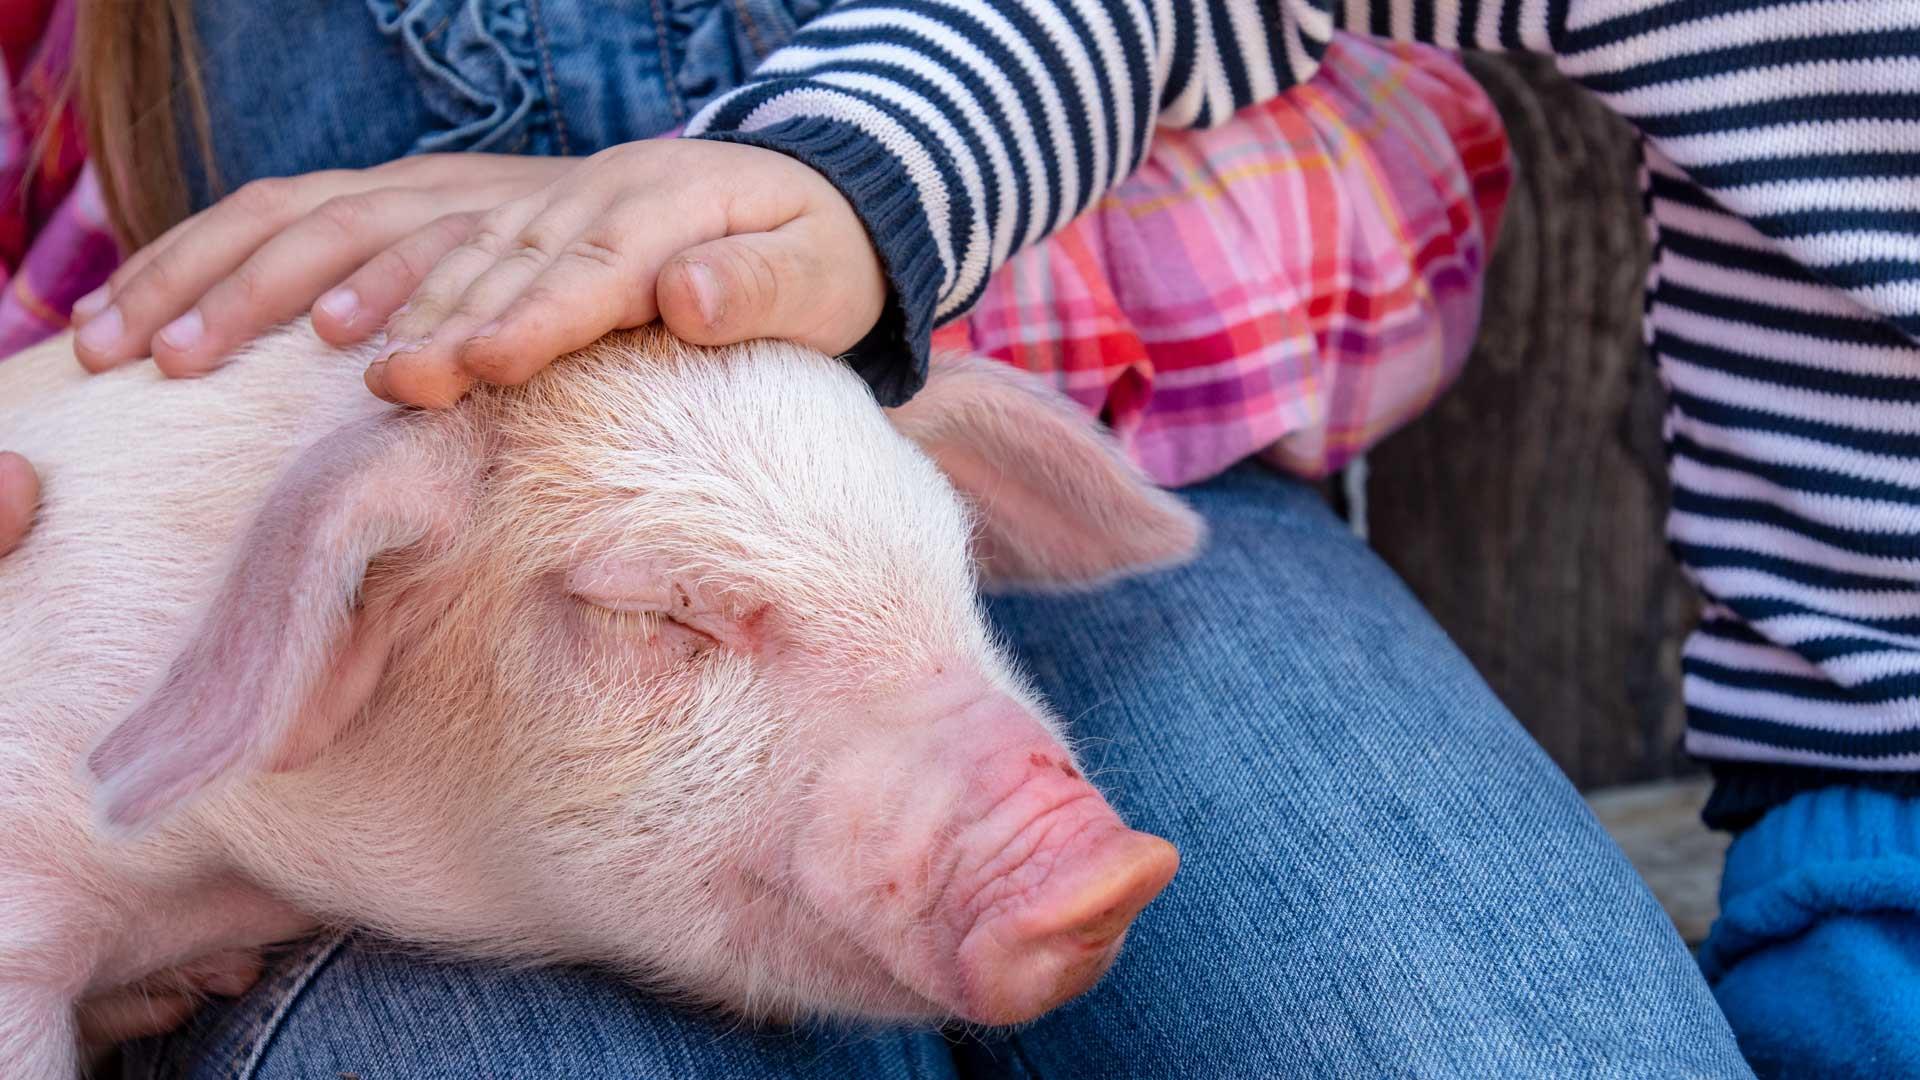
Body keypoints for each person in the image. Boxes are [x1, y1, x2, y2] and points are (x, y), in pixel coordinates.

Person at [10, 0, 1914, 1075]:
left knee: (1468, 1049)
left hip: (1061, 514)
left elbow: (1390, 220)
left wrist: (823, 263)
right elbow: (117, 358)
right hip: (405, 666)